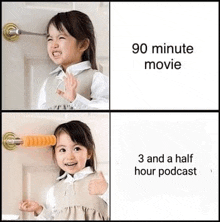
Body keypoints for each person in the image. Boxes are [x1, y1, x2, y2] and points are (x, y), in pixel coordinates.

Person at [19, 120, 109, 220]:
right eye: (62, 150)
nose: (69, 156)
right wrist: (39, 210)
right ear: (55, 154)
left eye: (77, 149)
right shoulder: (54, 191)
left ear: (89, 153)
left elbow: (122, 208)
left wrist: (105, 191)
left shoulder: (102, 181)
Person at [37, 10, 109, 110]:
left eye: (61, 37)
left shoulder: (96, 78)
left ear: (83, 45)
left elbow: (106, 111)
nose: (54, 45)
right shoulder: (48, 82)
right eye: (50, 39)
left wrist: (75, 99)